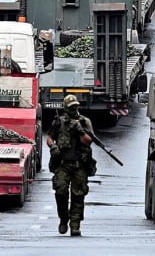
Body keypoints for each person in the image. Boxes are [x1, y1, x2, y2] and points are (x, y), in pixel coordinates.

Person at [47, 94, 96, 236]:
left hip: (79, 164)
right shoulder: (59, 122)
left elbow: (88, 141)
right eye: (71, 107)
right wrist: (53, 146)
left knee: (78, 194)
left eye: (76, 106)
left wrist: (79, 129)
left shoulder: (84, 122)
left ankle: (75, 225)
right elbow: (50, 137)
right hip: (62, 164)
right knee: (60, 191)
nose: (74, 109)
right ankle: (63, 218)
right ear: (65, 108)